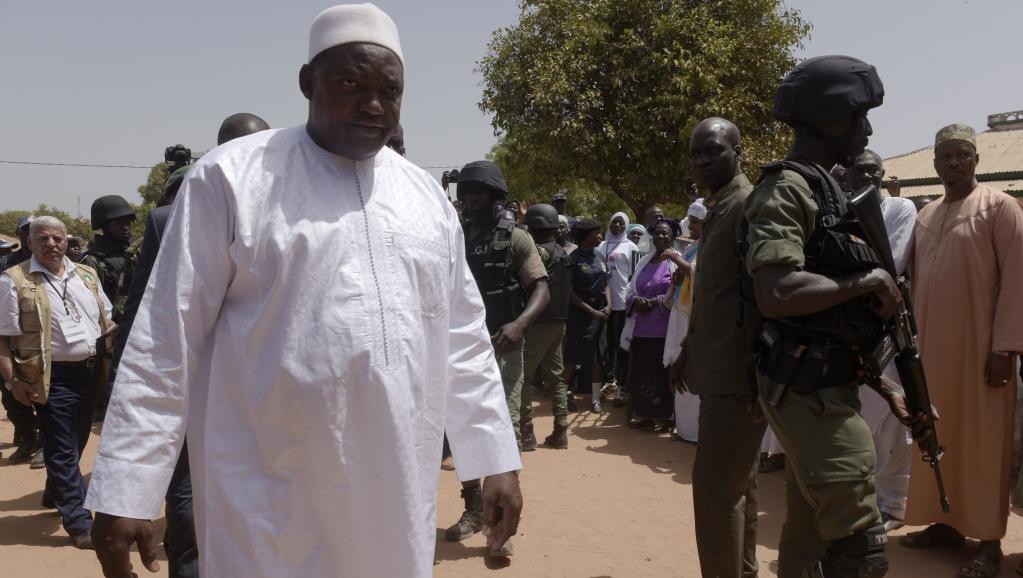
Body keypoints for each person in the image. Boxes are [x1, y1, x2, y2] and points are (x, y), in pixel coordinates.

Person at [84, 6, 523, 577]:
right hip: (267, 490)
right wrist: (127, 485)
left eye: (389, 91)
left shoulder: (426, 198)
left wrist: (495, 459)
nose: (373, 105)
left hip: (394, 491)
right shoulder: (231, 178)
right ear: (307, 83)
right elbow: (168, 336)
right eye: (351, 84)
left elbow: (460, 333)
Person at [744, 55, 918, 578]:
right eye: (859, 116)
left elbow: (839, 314)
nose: (867, 128)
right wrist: (867, 281)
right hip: (806, 390)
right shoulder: (787, 189)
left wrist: (888, 386)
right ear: (828, 119)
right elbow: (776, 291)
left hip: (829, 384)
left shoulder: (826, 189)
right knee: (860, 552)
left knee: (810, 534)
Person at [104, 113, 270, 578]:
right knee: (190, 518)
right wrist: (124, 401)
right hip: (191, 396)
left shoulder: (299, 215)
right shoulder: (169, 219)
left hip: (267, 409)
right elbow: (144, 318)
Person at [901, 123, 1023, 578]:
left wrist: (1005, 347)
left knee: (985, 443)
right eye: (946, 156)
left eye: (962, 156)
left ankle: (989, 542)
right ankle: (946, 523)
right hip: (933, 352)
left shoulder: (1000, 208)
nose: (953, 163)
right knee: (937, 436)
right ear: (935, 163)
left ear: (976, 160)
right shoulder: (926, 214)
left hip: (981, 353)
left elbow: (1017, 280)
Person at [668, 117, 768, 578]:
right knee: (736, 485)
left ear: (738, 152)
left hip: (738, 376)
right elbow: (717, 293)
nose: (702, 161)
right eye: (696, 154)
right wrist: (689, 348)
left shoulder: (747, 206)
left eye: (713, 151)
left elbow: (763, 297)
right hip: (719, 369)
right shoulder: (720, 209)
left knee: (714, 492)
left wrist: (752, 374)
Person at [445, 160, 548, 554]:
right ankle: (474, 508)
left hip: (503, 346)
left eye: (481, 192)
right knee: (460, 426)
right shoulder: (454, 235)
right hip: (460, 348)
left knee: (498, 427)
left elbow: (541, 289)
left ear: (496, 197)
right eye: (467, 192)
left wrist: (519, 325)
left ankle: (501, 526)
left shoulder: (517, 238)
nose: (472, 199)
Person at [1, 216, 114, 549]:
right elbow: (3, 339)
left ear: (67, 241)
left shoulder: (87, 275)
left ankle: (55, 491)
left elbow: (106, 318)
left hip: (92, 371)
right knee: (62, 449)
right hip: (50, 377)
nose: (52, 244)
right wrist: (12, 382)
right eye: (44, 238)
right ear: (31, 242)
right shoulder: (14, 280)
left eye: (58, 238)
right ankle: (80, 523)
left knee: (77, 441)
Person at [846, 149, 917, 533]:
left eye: (874, 172)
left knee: (892, 423)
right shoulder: (843, 214)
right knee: (862, 421)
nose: (868, 178)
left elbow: (891, 264)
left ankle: (895, 504)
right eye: (860, 172)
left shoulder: (900, 208)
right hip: (852, 333)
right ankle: (869, 503)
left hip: (888, 332)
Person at [520, 203, 572, 450]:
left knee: (524, 378)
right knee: (557, 378)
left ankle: (527, 433)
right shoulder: (563, 251)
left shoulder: (541, 251)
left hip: (539, 323)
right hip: (559, 322)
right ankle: (561, 431)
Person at [623, 219, 680, 429]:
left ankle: (664, 417)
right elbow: (629, 289)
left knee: (661, 373)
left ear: (672, 237)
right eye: (657, 233)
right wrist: (636, 301)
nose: (660, 237)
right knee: (642, 372)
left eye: (665, 234)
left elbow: (678, 292)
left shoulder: (676, 261)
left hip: (664, 329)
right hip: (641, 328)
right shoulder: (643, 261)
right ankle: (646, 415)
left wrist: (655, 302)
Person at [0, 215, 39, 464]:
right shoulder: (6, 263)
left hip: (37, 339)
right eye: (25, 232)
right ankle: (27, 438)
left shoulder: (47, 262)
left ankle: (46, 441)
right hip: (9, 335)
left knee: (44, 393)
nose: (29, 235)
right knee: (10, 392)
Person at [664, 201, 704, 443]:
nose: (691, 226)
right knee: (677, 366)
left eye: (695, 222)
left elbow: (701, 275)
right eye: (689, 221)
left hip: (696, 315)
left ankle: (699, 432)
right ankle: (684, 428)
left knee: (692, 366)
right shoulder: (694, 246)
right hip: (681, 310)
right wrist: (679, 274)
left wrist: (677, 261)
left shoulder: (712, 247)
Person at [563, 218, 610, 412]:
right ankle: (563, 396)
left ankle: (595, 399)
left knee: (597, 358)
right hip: (580, 315)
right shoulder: (573, 259)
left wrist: (609, 305)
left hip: (601, 314)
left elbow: (606, 283)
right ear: (587, 236)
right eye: (597, 233)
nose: (601, 236)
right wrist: (591, 311)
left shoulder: (600, 256)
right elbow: (569, 292)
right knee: (572, 358)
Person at [596, 212, 638, 399]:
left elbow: (635, 276)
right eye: (615, 222)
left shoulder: (631, 246)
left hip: (622, 303)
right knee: (606, 345)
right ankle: (608, 380)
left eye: (622, 223)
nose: (618, 226)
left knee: (621, 345)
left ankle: (622, 385)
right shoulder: (601, 246)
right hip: (604, 304)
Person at [80, 195, 136, 322]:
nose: (125, 227)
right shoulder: (92, 261)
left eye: (128, 222)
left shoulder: (136, 252)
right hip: (112, 326)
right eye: (118, 223)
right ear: (105, 227)